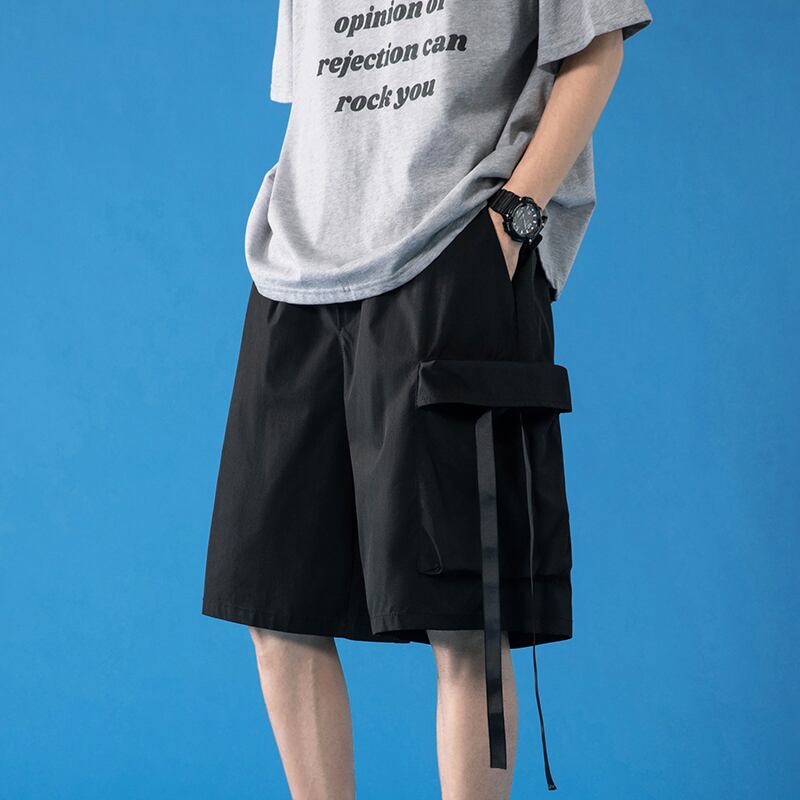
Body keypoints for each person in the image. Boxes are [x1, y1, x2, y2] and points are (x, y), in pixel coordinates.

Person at [202, 1, 652, 796]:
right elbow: (322, 97)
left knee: (468, 619)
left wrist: (514, 219)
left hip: (452, 245)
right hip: (297, 266)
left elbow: (598, 43)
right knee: (274, 605)